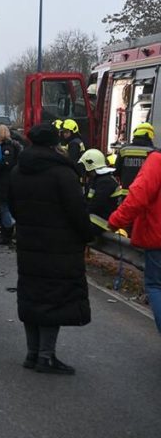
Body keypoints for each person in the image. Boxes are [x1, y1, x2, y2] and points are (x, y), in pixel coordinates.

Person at [9, 124, 92, 374]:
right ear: (55, 144)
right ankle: (46, 356)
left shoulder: (18, 170)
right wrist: (87, 236)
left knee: (32, 296)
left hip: (28, 243)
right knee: (53, 299)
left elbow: (12, 206)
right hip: (59, 247)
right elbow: (77, 212)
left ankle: (32, 354)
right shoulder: (62, 173)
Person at [108, 149, 161, 334]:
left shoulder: (157, 161)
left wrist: (116, 221)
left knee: (155, 286)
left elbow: (138, 197)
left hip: (158, 238)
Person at [78, 149, 120, 235]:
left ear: (90, 166)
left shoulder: (105, 182)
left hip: (102, 224)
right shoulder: (98, 179)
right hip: (97, 220)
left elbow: (95, 205)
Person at [115, 123, 155, 192]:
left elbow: (117, 171)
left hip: (126, 193)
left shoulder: (124, 150)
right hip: (145, 195)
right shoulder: (154, 152)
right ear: (150, 135)